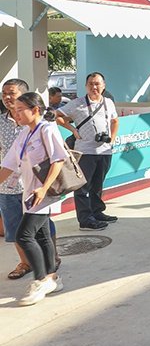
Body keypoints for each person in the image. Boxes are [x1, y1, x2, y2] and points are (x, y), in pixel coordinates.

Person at [0, 92, 65, 306]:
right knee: (44, 236)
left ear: (35, 110)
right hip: (30, 193)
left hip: (42, 194)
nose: (16, 114)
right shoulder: (25, 134)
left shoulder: (47, 129)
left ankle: (40, 281)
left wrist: (44, 189)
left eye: (20, 110)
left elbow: (58, 160)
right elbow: (8, 165)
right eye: (15, 111)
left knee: (24, 236)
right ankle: (53, 278)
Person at [56, 72, 118, 231]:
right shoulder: (77, 103)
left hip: (104, 151)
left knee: (97, 184)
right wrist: (72, 130)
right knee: (82, 187)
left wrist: (112, 139)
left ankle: (97, 212)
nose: (94, 87)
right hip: (85, 152)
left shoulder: (109, 102)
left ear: (103, 86)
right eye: (90, 83)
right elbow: (57, 115)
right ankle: (85, 220)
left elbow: (114, 120)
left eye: (97, 83)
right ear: (86, 86)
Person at [1, 79, 33, 279]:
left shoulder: (35, 123)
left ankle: (52, 256)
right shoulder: (0, 122)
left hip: (33, 184)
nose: (6, 97)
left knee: (42, 225)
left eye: (11, 93)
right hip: (7, 185)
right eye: (4, 93)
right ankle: (25, 263)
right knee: (13, 227)